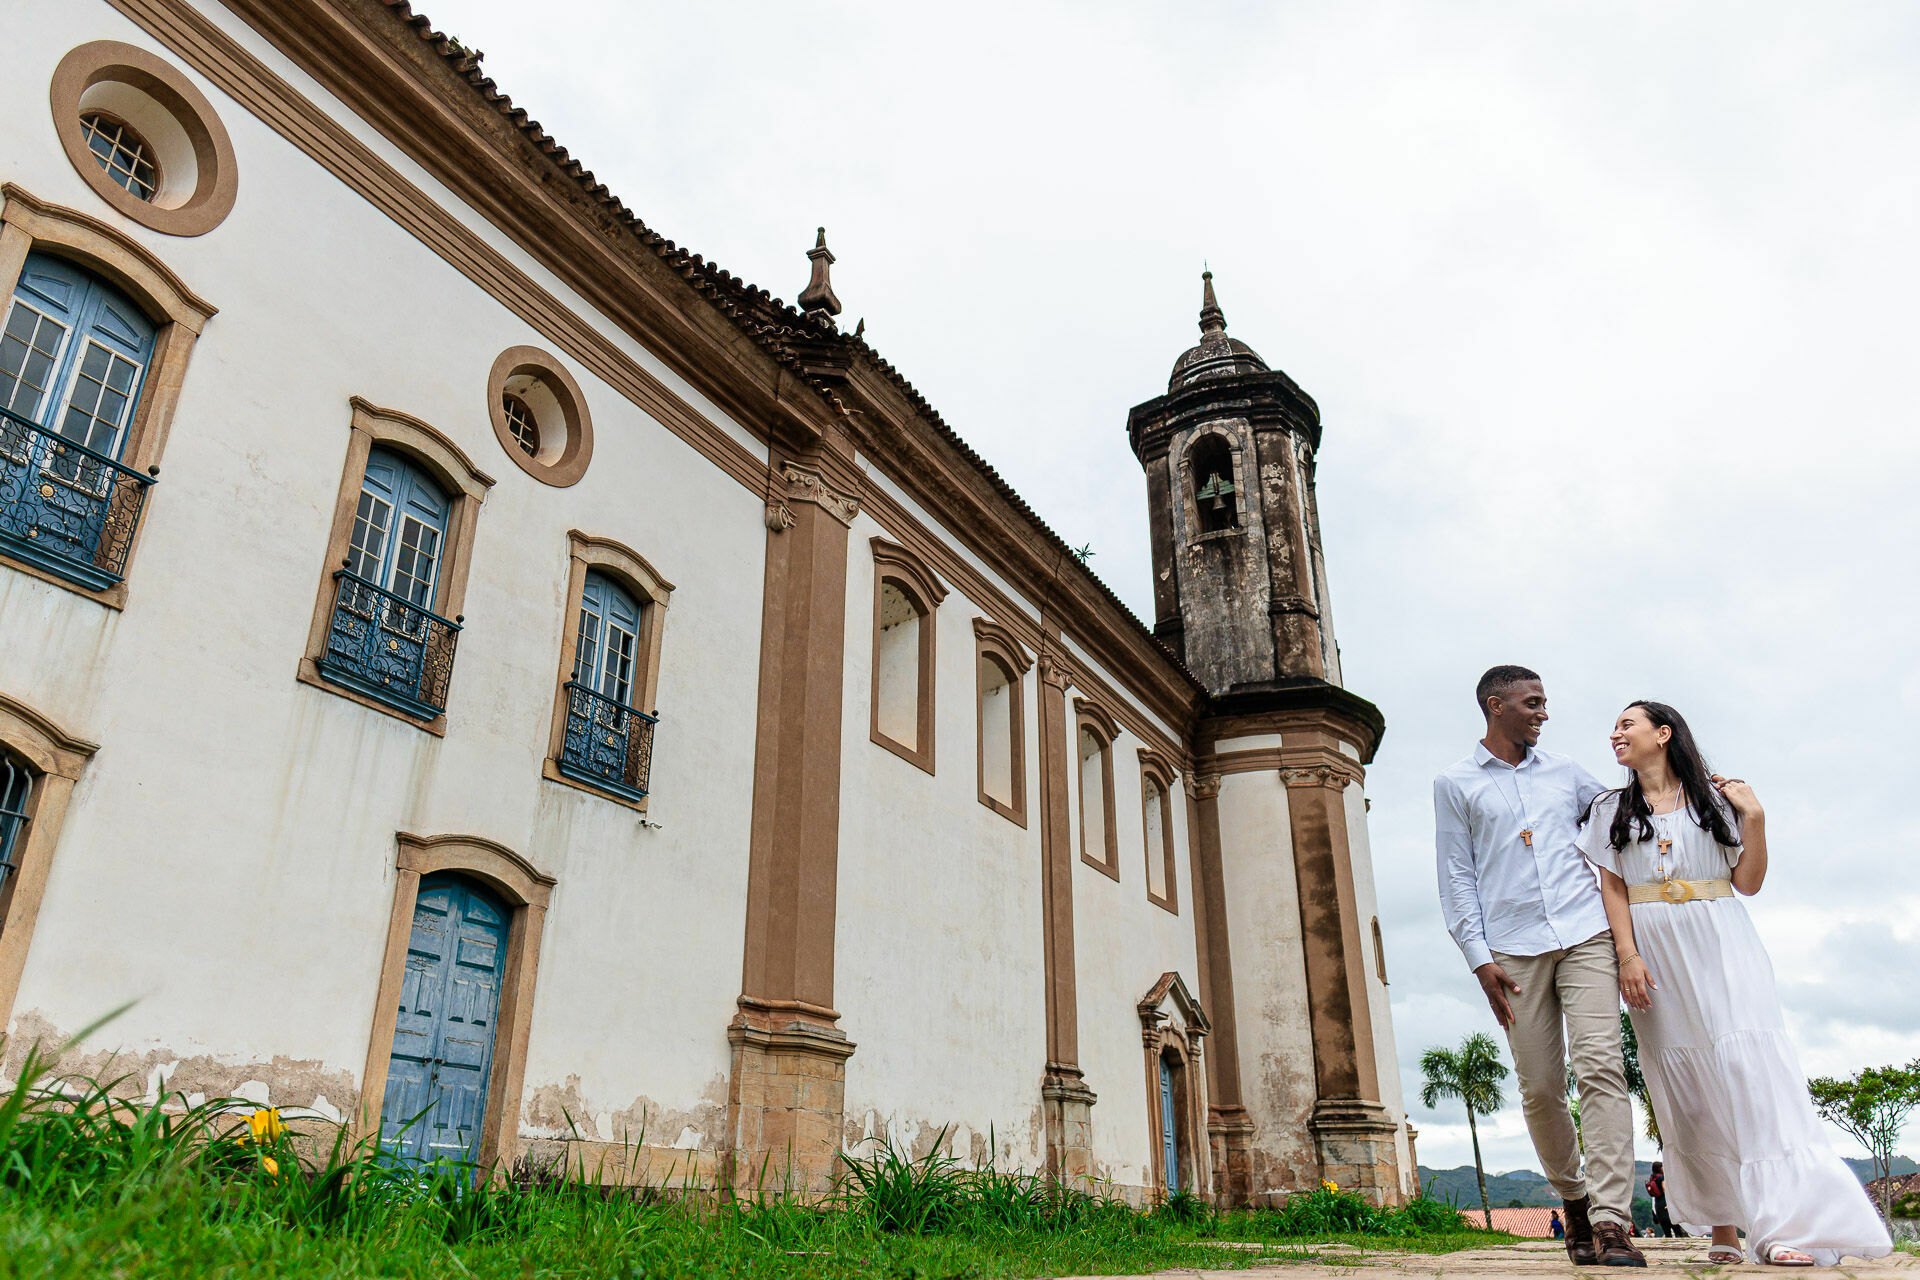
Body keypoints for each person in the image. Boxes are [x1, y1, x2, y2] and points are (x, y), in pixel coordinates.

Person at [1577, 701, 1893, 1268]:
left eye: (1627, 724)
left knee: (1750, 1073)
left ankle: (1784, 1225)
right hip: (1654, 955)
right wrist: (1627, 956)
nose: (1615, 734)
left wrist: (1756, 819)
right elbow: (1613, 889)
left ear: (1663, 733)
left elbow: (1747, 882)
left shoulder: (1717, 800)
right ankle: (1724, 1228)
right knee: (1689, 1090)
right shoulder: (1610, 809)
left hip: (1722, 941)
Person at [1436, 666, 1644, 1267]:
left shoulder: (1567, 773)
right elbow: (1456, 876)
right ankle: (1574, 1201)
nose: (1543, 713)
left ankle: (1611, 1221)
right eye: (1533, 703)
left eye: (1545, 703)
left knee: (1602, 1065)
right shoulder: (1454, 783)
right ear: (1495, 706)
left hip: (1586, 934)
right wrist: (1479, 960)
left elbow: (1624, 816)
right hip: (1512, 949)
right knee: (1541, 1087)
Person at [1647, 1162, 1676, 1239]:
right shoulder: (1662, 1177)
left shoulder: (1652, 1178)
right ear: (1660, 1168)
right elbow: (1665, 1189)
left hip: (1658, 1204)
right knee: (1675, 1226)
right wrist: (1670, 1201)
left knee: (1666, 1230)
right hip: (1665, 1203)